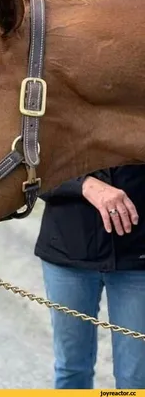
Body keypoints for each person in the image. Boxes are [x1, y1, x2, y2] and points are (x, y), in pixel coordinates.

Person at [34, 165, 145, 389]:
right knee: (72, 369)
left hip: (138, 255)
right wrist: (84, 185)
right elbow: (30, 172)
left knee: (134, 380)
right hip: (67, 250)